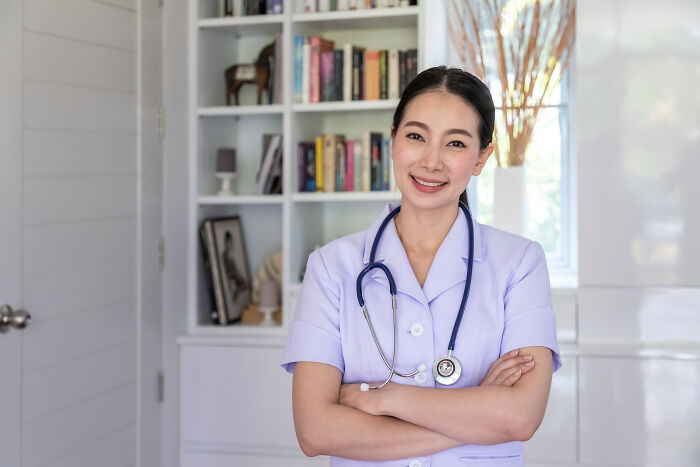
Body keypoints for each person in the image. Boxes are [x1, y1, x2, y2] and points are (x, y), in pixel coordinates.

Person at [281, 66, 561, 466]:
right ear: (393, 140)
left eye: (456, 144)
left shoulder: (520, 263)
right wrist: (476, 411)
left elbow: (521, 418)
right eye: (416, 136)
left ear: (482, 157)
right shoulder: (331, 267)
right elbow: (314, 431)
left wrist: (382, 399)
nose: (432, 162)